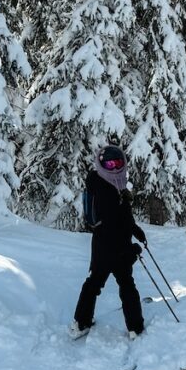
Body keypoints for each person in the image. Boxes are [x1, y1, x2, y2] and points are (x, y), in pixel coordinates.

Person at [71, 144, 147, 339]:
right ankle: (135, 328)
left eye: (118, 162)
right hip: (114, 245)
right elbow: (115, 223)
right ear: (102, 164)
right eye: (110, 163)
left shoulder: (109, 182)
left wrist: (136, 231)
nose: (114, 167)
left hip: (101, 246)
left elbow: (123, 218)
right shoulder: (107, 188)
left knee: (94, 283)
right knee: (126, 284)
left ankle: (81, 323)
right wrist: (131, 249)